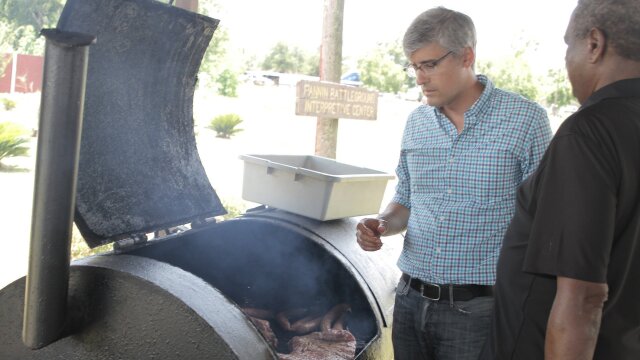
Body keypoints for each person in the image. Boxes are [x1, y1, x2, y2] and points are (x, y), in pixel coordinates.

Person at [355, 7, 552, 360]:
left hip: (480, 311)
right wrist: (382, 223)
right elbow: (405, 201)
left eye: (429, 65)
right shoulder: (416, 123)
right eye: (414, 67)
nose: (419, 78)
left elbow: (546, 223)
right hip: (409, 300)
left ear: (467, 56)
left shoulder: (526, 121)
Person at [481, 0, 640, 359]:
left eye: (569, 45)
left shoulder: (589, 132)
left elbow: (583, 299)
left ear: (594, 44)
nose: (565, 60)